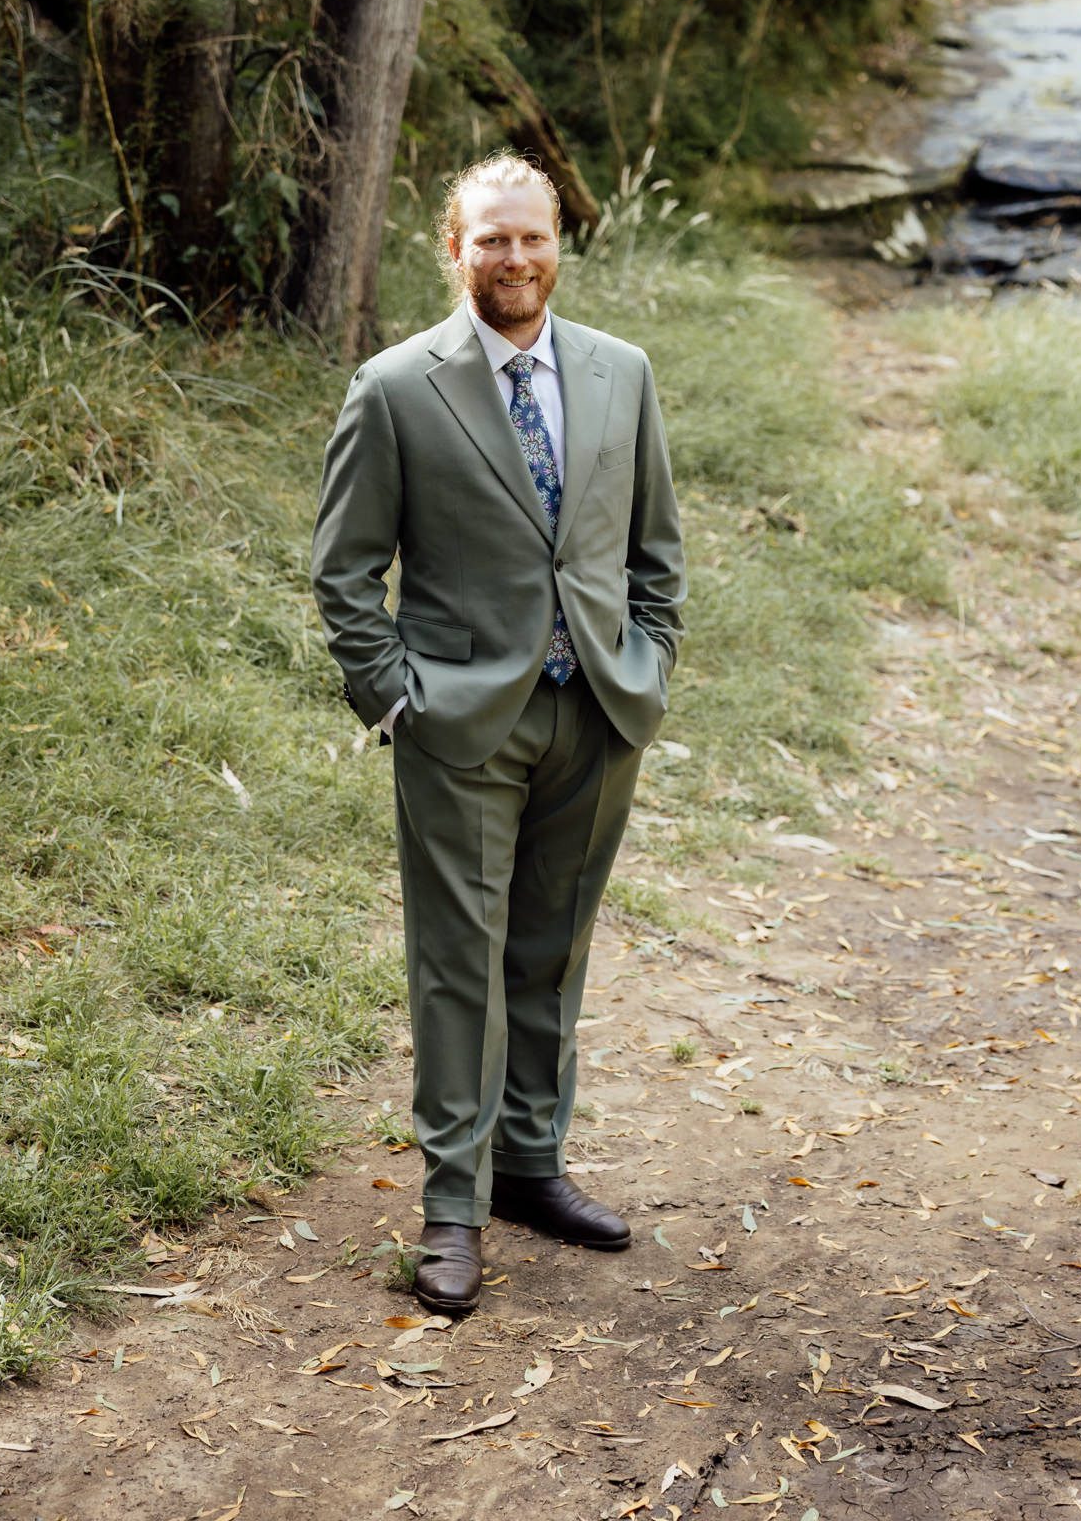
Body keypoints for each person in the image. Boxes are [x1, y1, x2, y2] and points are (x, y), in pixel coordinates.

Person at [310, 151, 686, 1313]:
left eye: (532, 236)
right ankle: (451, 1206)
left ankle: (531, 1165)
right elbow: (344, 573)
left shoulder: (621, 373)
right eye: (491, 240)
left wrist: (650, 664)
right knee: (459, 968)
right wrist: (398, 697)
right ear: (455, 249)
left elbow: (654, 551)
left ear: (560, 239)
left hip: (598, 711)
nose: (514, 257)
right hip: (462, 722)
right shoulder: (396, 387)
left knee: (552, 949)